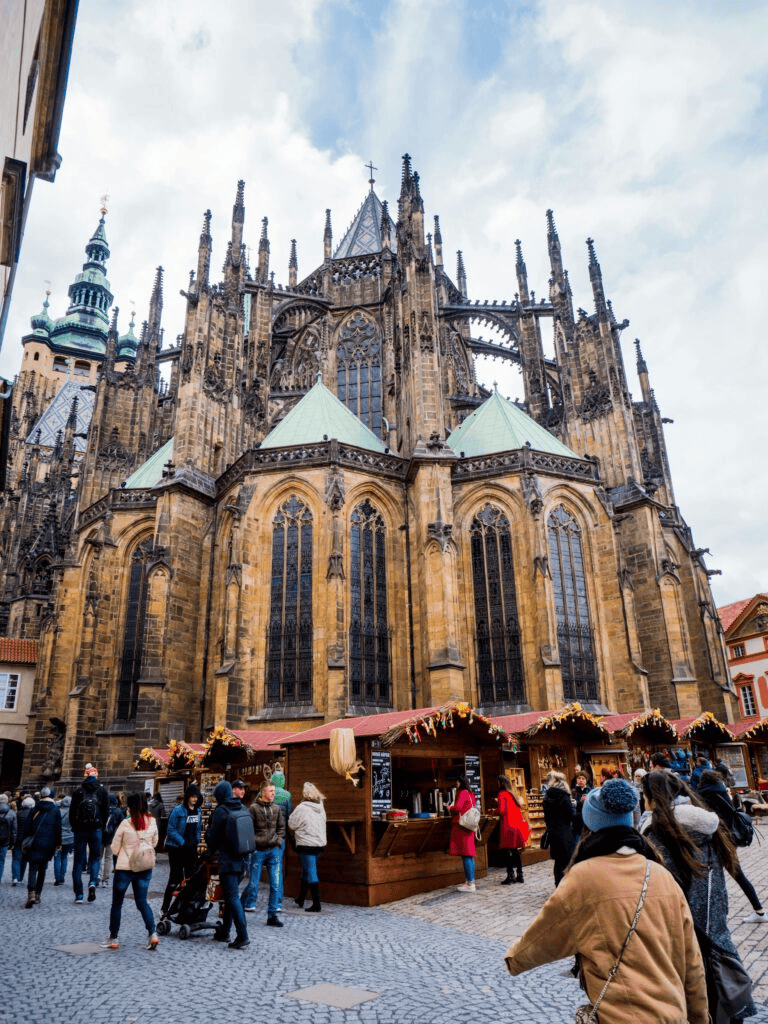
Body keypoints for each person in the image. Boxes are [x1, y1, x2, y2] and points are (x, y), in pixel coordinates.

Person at [505, 778, 708, 1024]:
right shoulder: (662, 875)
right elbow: (692, 961)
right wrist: (699, 1017)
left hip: (621, 1016)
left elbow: (546, 934)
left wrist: (514, 960)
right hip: (673, 1014)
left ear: (590, 826)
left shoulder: (583, 878)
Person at [640, 770, 756, 1023]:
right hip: (714, 920)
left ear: (652, 798)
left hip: (681, 926)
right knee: (719, 978)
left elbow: (659, 887)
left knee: (692, 988)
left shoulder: (658, 833)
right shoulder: (707, 825)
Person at [697, 768, 766, 925]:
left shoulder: (704, 794)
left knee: (713, 878)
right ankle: (759, 911)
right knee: (737, 875)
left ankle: (720, 915)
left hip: (716, 840)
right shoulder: (721, 790)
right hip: (729, 839)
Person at [102, 791, 159, 951]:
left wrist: (126, 850)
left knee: (117, 903)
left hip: (125, 868)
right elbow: (155, 842)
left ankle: (113, 938)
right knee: (142, 902)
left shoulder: (126, 823)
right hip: (144, 866)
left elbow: (114, 848)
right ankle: (153, 934)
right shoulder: (152, 822)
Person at [205, 779, 252, 949]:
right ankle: (225, 931)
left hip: (228, 861)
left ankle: (242, 935)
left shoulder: (221, 811)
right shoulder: (241, 807)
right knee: (231, 899)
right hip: (243, 860)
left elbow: (212, 839)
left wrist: (208, 835)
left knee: (232, 898)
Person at [242, 778, 285, 926]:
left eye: (274, 791)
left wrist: (278, 841)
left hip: (273, 850)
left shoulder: (277, 808)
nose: (273, 793)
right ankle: (241, 904)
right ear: (263, 792)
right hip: (258, 851)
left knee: (275, 884)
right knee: (253, 883)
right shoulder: (253, 809)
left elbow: (281, 827)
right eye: (271, 791)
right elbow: (249, 830)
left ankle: (272, 915)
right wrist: (256, 843)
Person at [70, 763, 109, 904]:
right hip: (96, 830)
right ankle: (93, 882)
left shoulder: (78, 791)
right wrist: (101, 827)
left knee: (78, 862)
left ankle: (79, 895)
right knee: (95, 858)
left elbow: (72, 813)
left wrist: (75, 827)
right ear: (96, 776)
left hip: (80, 831)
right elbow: (106, 812)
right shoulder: (102, 791)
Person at [161, 784, 202, 917]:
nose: (194, 799)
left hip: (191, 848)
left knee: (190, 878)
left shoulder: (198, 811)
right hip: (177, 848)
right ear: (187, 797)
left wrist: (196, 841)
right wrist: (182, 842)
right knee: (175, 877)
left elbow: (198, 828)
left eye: (196, 797)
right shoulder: (178, 810)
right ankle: (165, 908)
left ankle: (184, 908)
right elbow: (171, 829)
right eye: (192, 796)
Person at [288, 781, 327, 912]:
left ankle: (317, 904)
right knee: (307, 870)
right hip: (318, 844)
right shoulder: (321, 807)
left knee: (311, 872)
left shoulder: (301, 808)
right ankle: (301, 898)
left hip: (306, 844)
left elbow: (291, 824)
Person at [22, 786, 62, 907]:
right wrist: (58, 844)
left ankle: (31, 893)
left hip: (34, 843)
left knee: (33, 868)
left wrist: (26, 839)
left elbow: (27, 826)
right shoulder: (55, 810)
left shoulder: (35, 808)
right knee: (42, 870)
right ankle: (38, 894)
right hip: (48, 844)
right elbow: (58, 829)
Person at [542, 770, 577, 886]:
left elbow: (546, 817)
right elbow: (571, 815)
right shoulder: (564, 796)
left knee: (558, 860)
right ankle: (566, 885)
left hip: (553, 832)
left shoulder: (547, 797)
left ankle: (558, 883)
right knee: (567, 859)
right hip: (565, 831)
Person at [446, 774, 478, 893]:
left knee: (466, 855)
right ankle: (470, 881)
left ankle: (470, 883)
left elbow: (458, 807)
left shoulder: (462, 792)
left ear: (461, 782)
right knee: (469, 854)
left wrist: (450, 808)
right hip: (469, 825)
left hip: (462, 827)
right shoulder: (471, 793)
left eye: (457, 782)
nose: (456, 784)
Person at [497, 775, 530, 884]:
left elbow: (502, 811)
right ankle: (520, 875)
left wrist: (494, 809)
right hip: (517, 824)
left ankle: (510, 875)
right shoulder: (513, 794)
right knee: (515, 851)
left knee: (507, 851)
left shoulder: (502, 794)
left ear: (501, 783)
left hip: (508, 825)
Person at [270, 769, 292, 913]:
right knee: (277, 869)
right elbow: (290, 814)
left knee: (257, 869)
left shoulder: (266, 793)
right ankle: (278, 900)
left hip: (264, 838)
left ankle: (250, 901)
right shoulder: (286, 795)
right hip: (280, 837)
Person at [100, 793, 125, 887]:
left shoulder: (102, 809)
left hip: (101, 836)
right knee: (108, 858)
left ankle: (96, 876)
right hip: (112, 838)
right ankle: (105, 879)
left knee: (98, 857)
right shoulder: (118, 811)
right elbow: (122, 826)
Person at [11, 794, 35, 886]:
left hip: (18, 838)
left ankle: (15, 877)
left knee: (16, 859)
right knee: (24, 859)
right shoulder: (34, 815)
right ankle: (20, 877)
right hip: (28, 839)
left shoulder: (18, 813)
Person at [53, 794, 74, 885]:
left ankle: (57, 878)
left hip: (58, 837)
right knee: (64, 857)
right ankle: (62, 877)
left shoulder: (58, 811)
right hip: (69, 838)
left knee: (57, 857)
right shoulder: (72, 813)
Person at [0, 792, 17, 884]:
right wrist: (12, 843)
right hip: (4, 840)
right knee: (1, 861)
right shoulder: (11, 813)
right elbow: (14, 830)